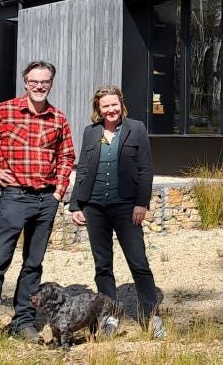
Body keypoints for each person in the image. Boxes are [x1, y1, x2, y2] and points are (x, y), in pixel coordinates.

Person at [0, 60, 75, 357]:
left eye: (45, 82)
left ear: (51, 83)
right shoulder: (5, 111)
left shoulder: (58, 118)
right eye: (34, 81)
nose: (39, 86)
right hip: (15, 198)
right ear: (25, 82)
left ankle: (23, 321)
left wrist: (59, 191)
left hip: (46, 200)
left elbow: (67, 155)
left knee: (33, 265)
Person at [68, 85, 165, 339]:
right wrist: (75, 204)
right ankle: (110, 315)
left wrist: (141, 203)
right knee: (103, 265)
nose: (110, 110)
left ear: (121, 104)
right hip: (95, 208)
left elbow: (145, 169)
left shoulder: (137, 129)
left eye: (114, 105)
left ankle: (151, 314)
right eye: (105, 106)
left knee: (139, 263)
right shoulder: (90, 133)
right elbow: (84, 170)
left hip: (126, 207)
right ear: (98, 110)